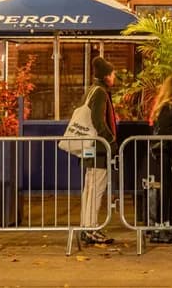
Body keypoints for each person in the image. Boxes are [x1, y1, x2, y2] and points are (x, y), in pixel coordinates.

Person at [79, 56, 118, 245]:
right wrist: (110, 140)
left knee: (89, 188)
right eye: (113, 74)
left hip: (90, 147)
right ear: (106, 76)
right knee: (96, 188)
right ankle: (91, 228)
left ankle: (86, 226)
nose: (114, 77)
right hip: (98, 149)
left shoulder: (91, 90)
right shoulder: (101, 92)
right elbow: (98, 120)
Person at [149, 74, 172, 242]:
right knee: (166, 189)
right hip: (165, 152)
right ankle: (163, 224)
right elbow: (167, 132)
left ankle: (163, 224)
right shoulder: (169, 108)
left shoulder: (163, 107)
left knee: (167, 188)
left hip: (163, 152)